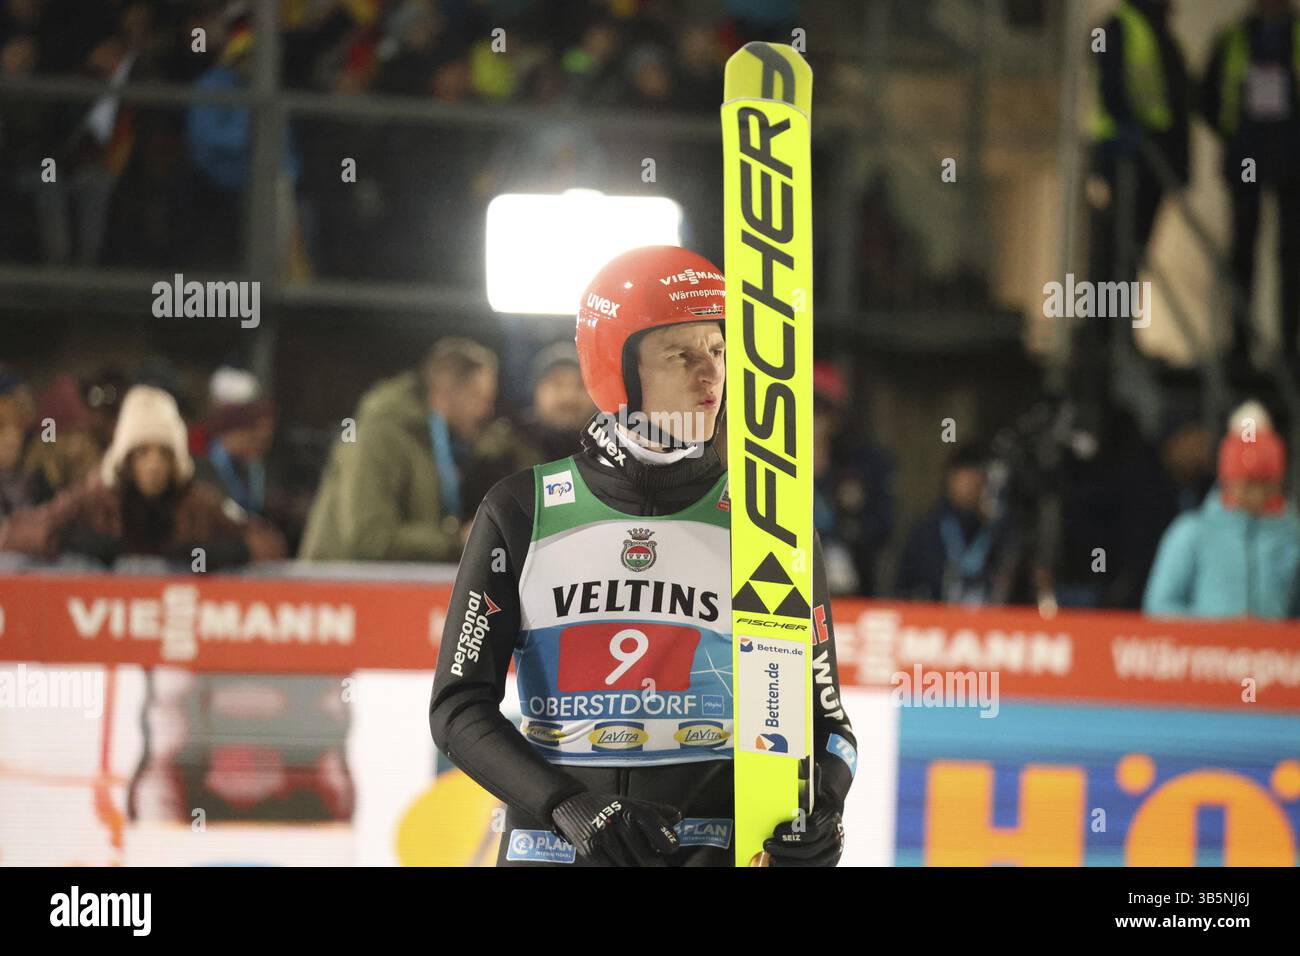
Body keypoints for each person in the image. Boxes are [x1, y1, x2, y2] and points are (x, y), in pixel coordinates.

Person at [429, 246, 857, 867]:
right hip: (555, 849)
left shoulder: (768, 526)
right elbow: (457, 707)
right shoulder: (522, 510)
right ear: (614, 368)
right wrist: (571, 807)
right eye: (680, 355)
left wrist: (825, 813)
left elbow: (828, 723)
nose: (710, 377)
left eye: (718, 350)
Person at [0, 384, 285, 566]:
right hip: (100, 632)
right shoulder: (94, 499)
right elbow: (15, 532)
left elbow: (270, 541)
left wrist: (236, 550)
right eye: (142, 453)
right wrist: (66, 540)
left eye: (163, 453)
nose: (153, 464)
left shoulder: (197, 504)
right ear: (126, 458)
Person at [298, 336, 502, 562]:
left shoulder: (431, 442)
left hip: (378, 587)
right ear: (446, 389)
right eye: (480, 398)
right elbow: (369, 539)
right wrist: (456, 541)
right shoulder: (380, 435)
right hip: (336, 591)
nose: (487, 411)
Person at [1202, 0, 1300, 365]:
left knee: (1291, 255)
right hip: (1247, 156)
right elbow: (1208, 97)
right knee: (1243, 250)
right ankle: (1239, 342)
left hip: (1292, 158)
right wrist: (1234, 137)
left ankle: (1289, 344)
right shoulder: (1232, 39)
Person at [1143, 403, 1300, 618]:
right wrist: (1220, 631)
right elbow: (1159, 607)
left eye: (1264, 483)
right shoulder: (1192, 532)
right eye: (1247, 484)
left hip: (1274, 651)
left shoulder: (1292, 536)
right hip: (1205, 650)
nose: (1256, 494)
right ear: (1228, 480)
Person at [895, 441, 1015, 605]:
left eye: (978, 479)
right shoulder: (928, 530)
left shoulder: (1002, 530)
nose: (971, 486)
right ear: (951, 479)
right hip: (937, 622)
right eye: (965, 478)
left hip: (989, 621)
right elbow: (904, 589)